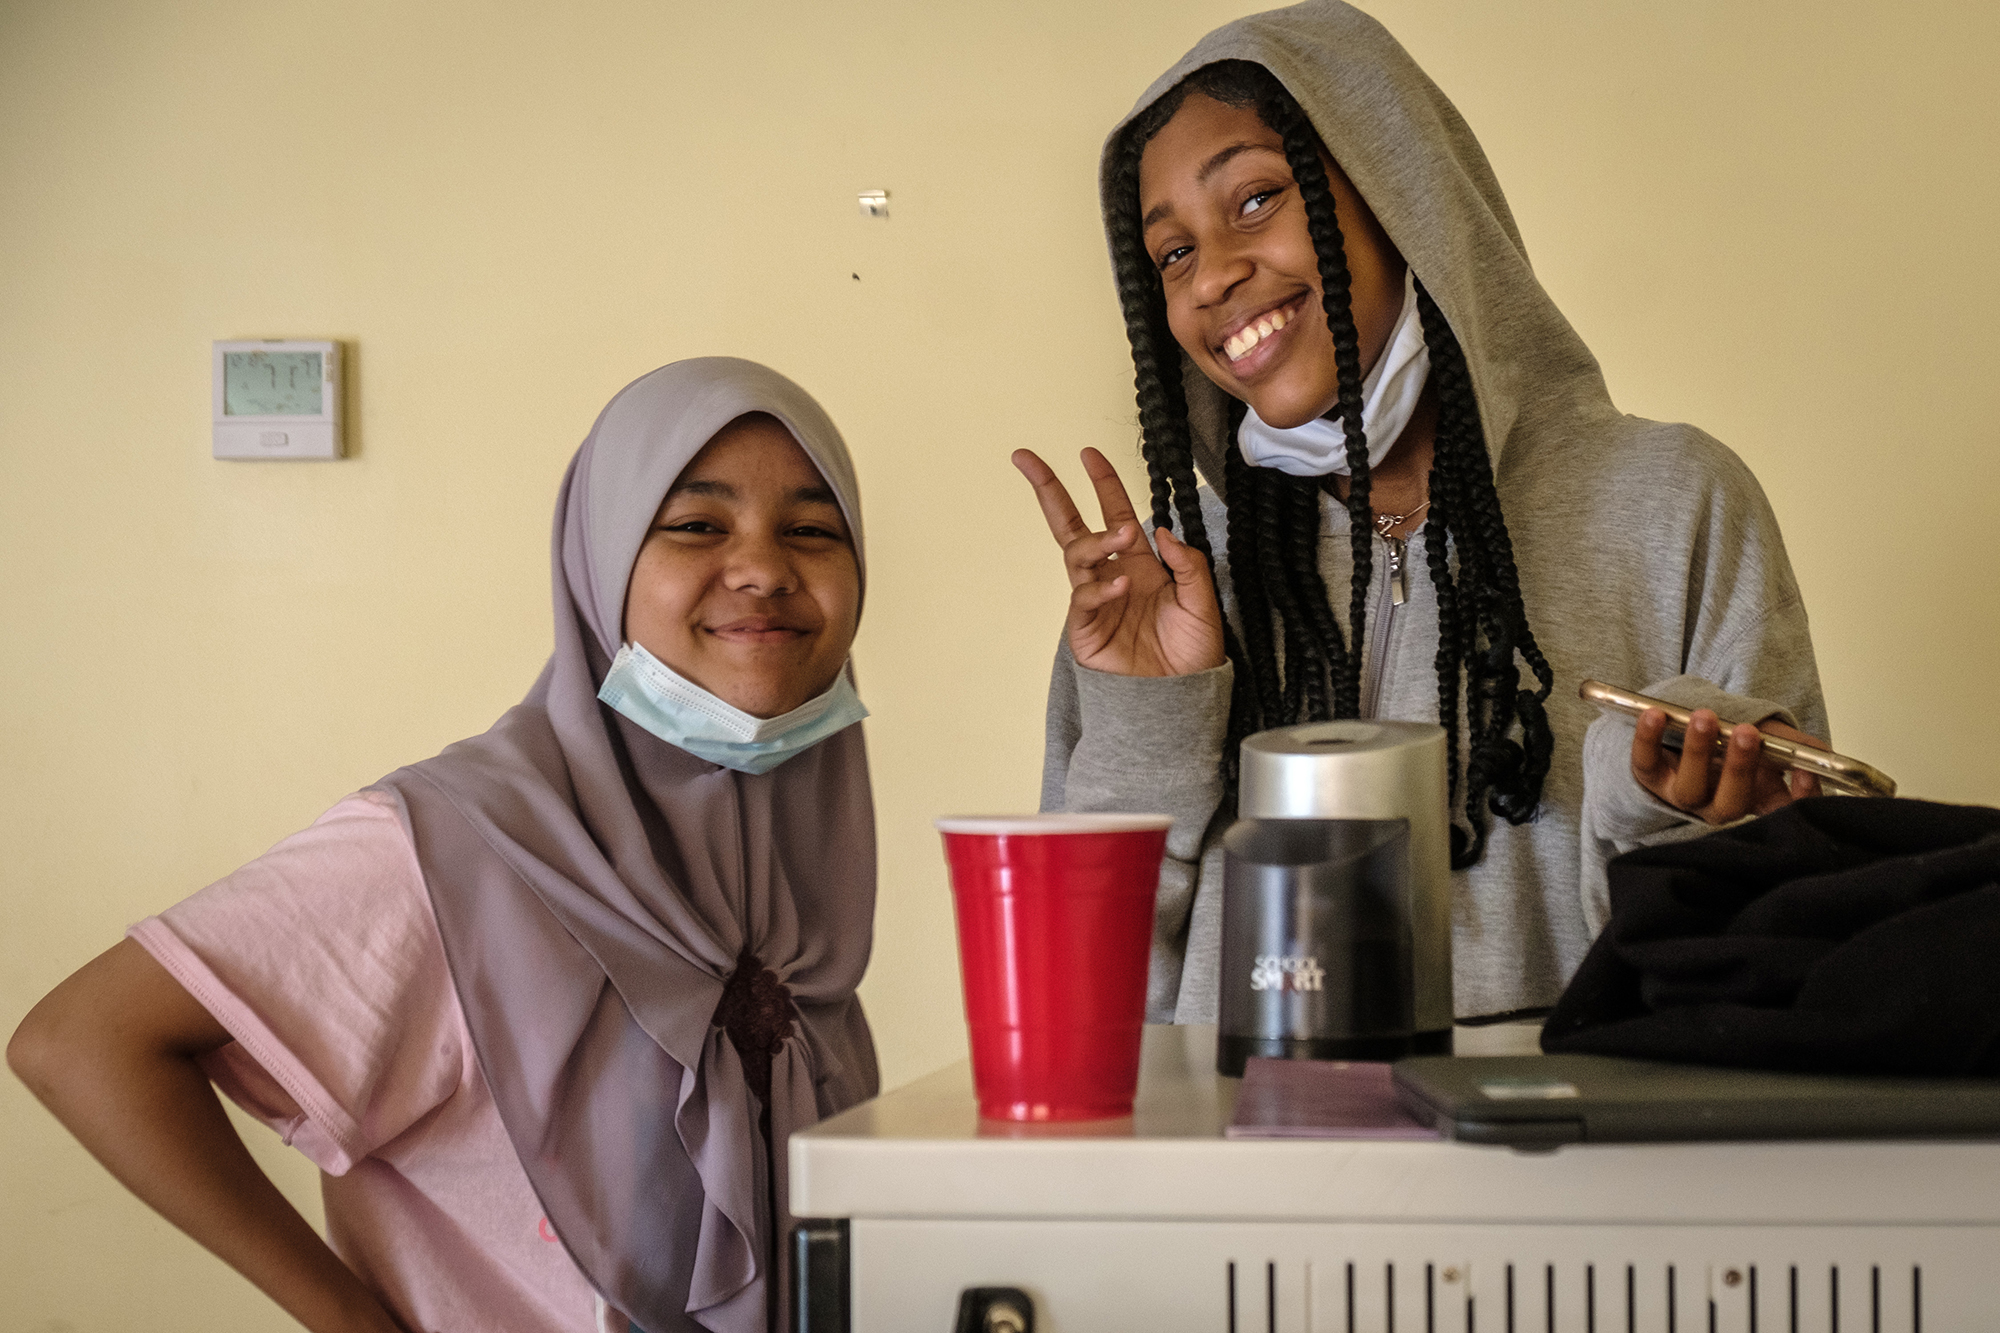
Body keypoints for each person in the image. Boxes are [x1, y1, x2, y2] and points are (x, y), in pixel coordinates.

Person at [8, 358, 878, 1333]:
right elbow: (80, 1044)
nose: (763, 566)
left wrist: (1092, 687)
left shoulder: (796, 861)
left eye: (811, 529)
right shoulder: (461, 847)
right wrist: (349, 1321)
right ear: (596, 561)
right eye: (693, 525)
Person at [1016, 1, 1827, 1027]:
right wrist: (1148, 726)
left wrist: (1659, 818)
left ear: (1399, 194)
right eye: (1170, 254)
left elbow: (1780, 967)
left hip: (1557, 1174)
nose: (1213, 273)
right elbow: (1068, 1014)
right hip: (1240, 1178)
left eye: (1257, 198)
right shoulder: (1172, 578)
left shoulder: (1673, 505)